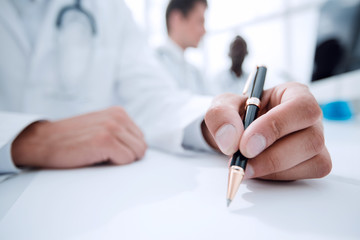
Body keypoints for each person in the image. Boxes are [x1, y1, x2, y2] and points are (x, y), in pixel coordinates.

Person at [0, 0, 331, 182]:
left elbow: (155, 100)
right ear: (178, 17)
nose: (205, 30)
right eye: (200, 19)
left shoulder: (109, 10)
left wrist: (221, 124)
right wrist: (25, 137)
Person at [156, 0, 208, 95]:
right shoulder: (154, 63)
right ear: (177, 19)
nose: (204, 31)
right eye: (200, 21)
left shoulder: (194, 72)